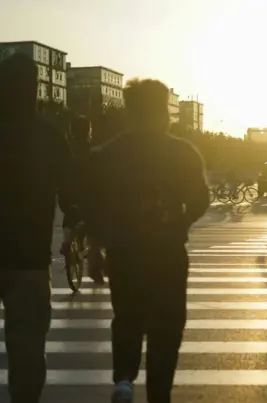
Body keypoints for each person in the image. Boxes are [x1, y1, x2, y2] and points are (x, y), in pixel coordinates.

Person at [84, 78, 210, 403]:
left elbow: (95, 206)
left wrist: (94, 249)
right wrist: (179, 219)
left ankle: (124, 379)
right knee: (166, 328)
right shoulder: (182, 152)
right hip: (167, 252)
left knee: (127, 318)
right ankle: (158, 394)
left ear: (130, 111)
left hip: (123, 253)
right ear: (163, 111)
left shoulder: (107, 154)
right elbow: (201, 200)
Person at [0, 53, 78, 403]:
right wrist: (75, 229)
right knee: (27, 350)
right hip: (29, 258)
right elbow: (72, 192)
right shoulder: (48, 137)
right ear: (33, 89)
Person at [61, 115, 107, 284]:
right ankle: (92, 247)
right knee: (93, 218)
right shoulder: (93, 151)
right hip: (87, 194)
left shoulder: (65, 150)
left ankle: (67, 240)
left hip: (66, 194)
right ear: (88, 131)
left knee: (69, 214)